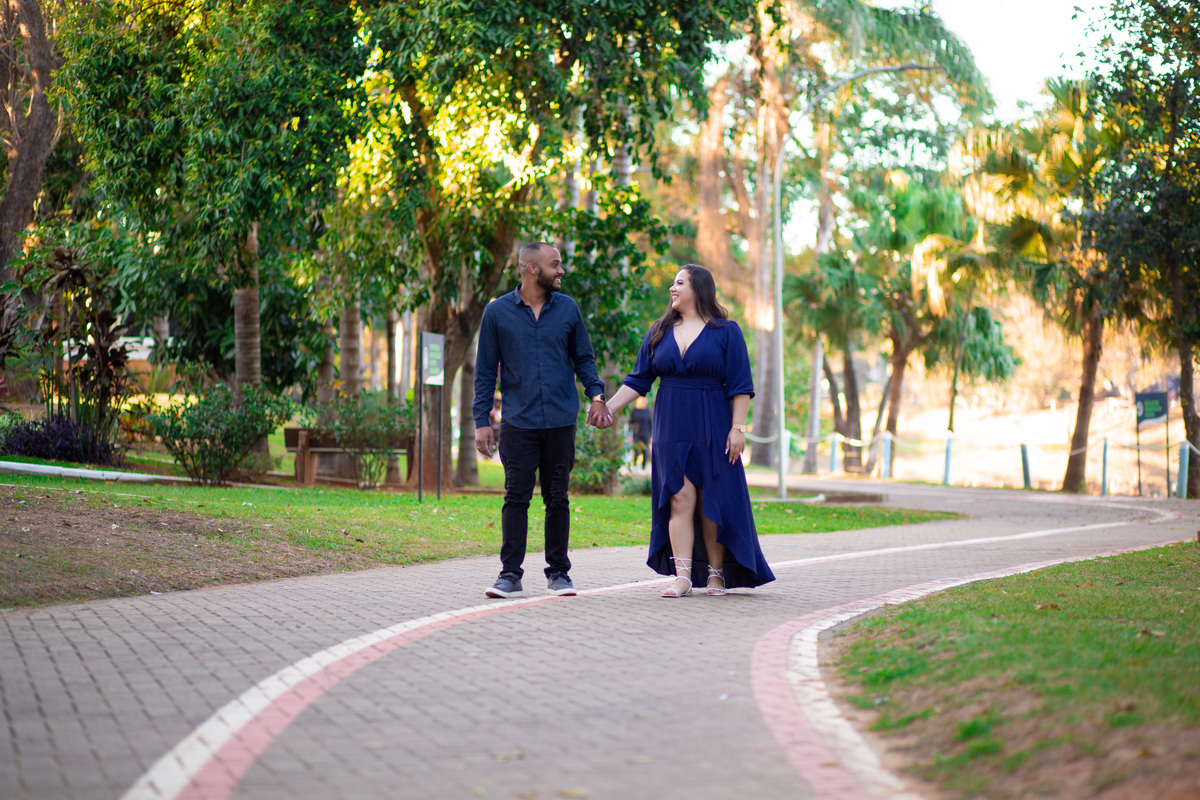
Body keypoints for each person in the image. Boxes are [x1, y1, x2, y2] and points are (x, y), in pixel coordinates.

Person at [602, 264, 775, 597]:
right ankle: (682, 577)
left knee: (712, 500)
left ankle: (715, 574)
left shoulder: (726, 331)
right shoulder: (659, 331)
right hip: (670, 423)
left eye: (679, 282)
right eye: (673, 282)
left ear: (699, 289)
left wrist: (738, 428)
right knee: (679, 498)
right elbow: (638, 380)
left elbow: (740, 385)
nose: (672, 288)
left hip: (713, 422)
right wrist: (608, 408)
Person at [473, 242, 611, 599]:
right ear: (532, 269)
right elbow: (485, 371)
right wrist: (481, 420)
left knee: (557, 499)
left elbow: (584, 359)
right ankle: (509, 576)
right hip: (519, 423)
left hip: (561, 421)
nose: (561, 270)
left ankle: (559, 574)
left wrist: (597, 396)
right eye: (555, 264)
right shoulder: (497, 313)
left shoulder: (567, 308)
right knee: (515, 498)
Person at [629, 397, 652, 468]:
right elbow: (631, 423)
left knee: (645, 450)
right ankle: (634, 465)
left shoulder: (647, 411)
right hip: (636, 433)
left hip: (645, 432)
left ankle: (643, 467)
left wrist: (651, 435)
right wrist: (629, 434)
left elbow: (650, 423)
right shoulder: (634, 410)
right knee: (636, 449)